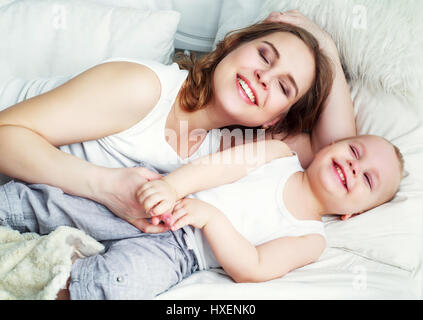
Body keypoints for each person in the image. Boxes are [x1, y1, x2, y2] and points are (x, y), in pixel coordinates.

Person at [0, 11, 356, 234]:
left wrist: (328, 51)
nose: (265, 76)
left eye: (283, 86)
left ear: (274, 119)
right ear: (232, 45)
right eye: (264, 54)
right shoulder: (144, 89)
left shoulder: (232, 149)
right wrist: (105, 187)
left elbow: (337, 155)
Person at [0, 134, 403, 299]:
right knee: (59, 205)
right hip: (156, 208)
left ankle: (54, 287)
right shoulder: (279, 155)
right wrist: (172, 187)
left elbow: (254, 267)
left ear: (353, 213)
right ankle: (12, 206)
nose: (353, 167)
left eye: (367, 179)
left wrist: (212, 219)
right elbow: (216, 168)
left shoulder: (312, 239)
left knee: (119, 283)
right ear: (335, 144)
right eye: (354, 151)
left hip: (182, 254)